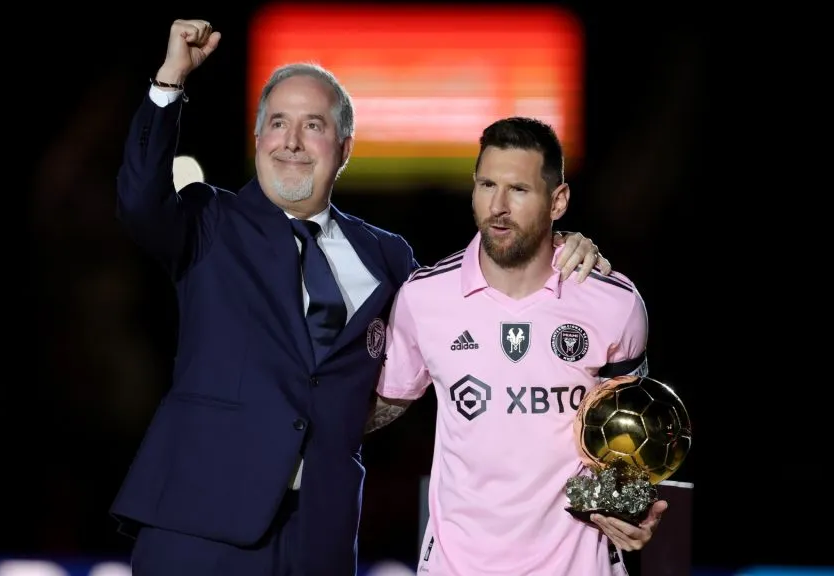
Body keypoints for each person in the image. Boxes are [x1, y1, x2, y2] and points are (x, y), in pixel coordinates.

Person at [110, 19, 610, 576]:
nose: (292, 142)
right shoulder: (208, 221)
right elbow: (138, 200)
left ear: (344, 147)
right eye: (277, 123)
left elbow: (476, 300)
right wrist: (170, 81)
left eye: (313, 125)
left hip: (319, 534)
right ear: (257, 140)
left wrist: (555, 242)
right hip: (199, 523)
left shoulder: (388, 257)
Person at [369, 117, 663, 575]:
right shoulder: (424, 298)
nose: (498, 206)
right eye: (487, 184)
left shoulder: (614, 303)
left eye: (519, 190)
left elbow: (629, 441)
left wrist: (634, 510)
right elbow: (383, 404)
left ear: (558, 201)